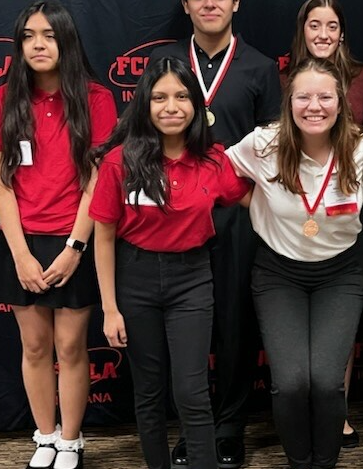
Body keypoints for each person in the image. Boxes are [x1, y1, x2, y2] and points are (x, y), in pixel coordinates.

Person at [149, 0, 281, 469]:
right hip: (172, 216)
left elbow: (270, 147)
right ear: (186, 6)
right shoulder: (164, 63)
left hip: (234, 216)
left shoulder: (259, 67)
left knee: (231, 326)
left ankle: (228, 428)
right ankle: (192, 426)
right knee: (184, 333)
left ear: (235, 3)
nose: (210, 4)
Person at [91, 57, 251, 469]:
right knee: (148, 391)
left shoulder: (214, 159)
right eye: (159, 97)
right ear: (145, 103)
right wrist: (109, 309)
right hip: (135, 279)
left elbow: (254, 200)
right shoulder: (120, 161)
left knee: (193, 392)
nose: (171, 106)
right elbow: (104, 236)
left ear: (196, 105)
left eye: (181, 96)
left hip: (192, 280)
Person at [0, 0, 117, 469]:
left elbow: (98, 182)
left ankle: (72, 441)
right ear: (19, 45)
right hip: (20, 241)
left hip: (73, 239)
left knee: (70, 346)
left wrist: (75, 249)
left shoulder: (96, 98)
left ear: (66, 41)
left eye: (49, 35)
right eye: (29, 36)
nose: (38, 44)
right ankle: (44, 436)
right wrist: (19, 255)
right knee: (35, 346)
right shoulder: (1, 100)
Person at [225, 57, 363, 469]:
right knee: (292, 384)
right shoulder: (263, 144)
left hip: (340, 275)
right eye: (304, 97)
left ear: (341, 101)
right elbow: (218, 175)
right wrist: (258, 205)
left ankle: (324, 462)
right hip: (278, 274)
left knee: (328, 385)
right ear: (288, 102)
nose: (315, 106)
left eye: (325, 96)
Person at [284, 0, 363, 449]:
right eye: (314, 25)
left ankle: (334, 410)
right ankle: (304, 406)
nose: (323, 34)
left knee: (338, 326)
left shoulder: (362, 77)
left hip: (344, 216)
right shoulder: (282, 77)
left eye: (332, 26)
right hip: (293, 218)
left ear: (343, 32)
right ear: (303, 30)